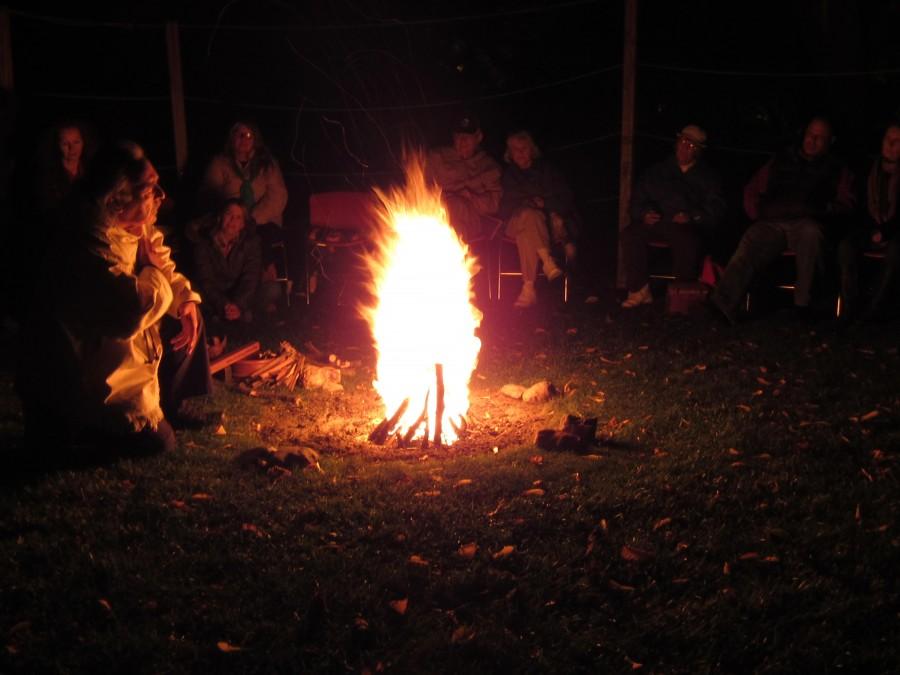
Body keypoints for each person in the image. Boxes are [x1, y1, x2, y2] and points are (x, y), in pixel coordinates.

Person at [15, 142, 210, 457]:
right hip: (82, 379)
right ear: (118, 200)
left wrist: (186, 298)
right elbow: (130, 312)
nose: (161, 195)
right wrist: (151, 271)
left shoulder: (134, 224)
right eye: (149, 191)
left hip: (111, 360)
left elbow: (161, 262)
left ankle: (169, 405)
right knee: (160, 443)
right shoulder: (89, 242)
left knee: (188, 315)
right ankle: (76, 435)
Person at [709, 117, 855, 323]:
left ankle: (804, 307)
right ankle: (723, 303)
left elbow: (846, 203)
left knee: (811, 234)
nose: (812, 140)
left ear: (830, 141)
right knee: (753, 237)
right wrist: (758, 211)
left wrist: (822, 211)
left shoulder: (837, 168)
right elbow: (752, 190)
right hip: (774, 220)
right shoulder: (781, 160)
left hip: (808, 221)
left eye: (819, 137)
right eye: (810, 134)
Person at [621, 124, 726, 308]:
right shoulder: (658, 171)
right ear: (677, 143)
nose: (686, 148)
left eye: (692, 146)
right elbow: (637, 199)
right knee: (631, 234)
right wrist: (644, 213)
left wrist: (692, 216)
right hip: (659, 222)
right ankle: (639, 291)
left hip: (686, 226)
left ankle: (682, 295)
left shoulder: (707, 177)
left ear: (698, 152)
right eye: (684, 142)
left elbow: (715, 208)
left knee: (687, 240)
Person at [499, 130, 578, 308]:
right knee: (527, 215)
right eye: (515, 149)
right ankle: (548, 262)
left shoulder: (548, 171)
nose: (519, 153)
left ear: (532, 149)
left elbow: (565, 197)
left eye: (523, 148)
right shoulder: (508, 176)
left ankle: (528, 289)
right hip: (513, 222)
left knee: (528, 228)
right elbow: (503, 205)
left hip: (540, 226)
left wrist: (544, 203)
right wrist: (527, 202)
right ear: (509, 153)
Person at [199, 121, 288, 273]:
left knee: (257, 238)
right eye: (238, 134)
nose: (243, 139)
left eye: (248, 135)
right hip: (230, 220)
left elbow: (278, 196)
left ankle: (266, 277)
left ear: (255, 139)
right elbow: (210, 194)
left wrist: (251, 219)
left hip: (262, 220)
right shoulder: (220, 163)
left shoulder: (267, 164)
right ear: (231, 138)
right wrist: (232, 216)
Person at [193, 199, 280, 349]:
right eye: (229, 215)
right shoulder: (204, 243)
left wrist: (238, 304)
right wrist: (224, 304)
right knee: (194, 293)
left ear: (243, 224)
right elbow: (205, 280)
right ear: (220, 218)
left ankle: (241, 314)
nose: (233, 220)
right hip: (214, 294)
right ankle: (221, 316)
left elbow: (250, 277)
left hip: (239, 294)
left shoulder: (250, 243)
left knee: (272, 289)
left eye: (238, 217)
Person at [837, 122, 900, 321]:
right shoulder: (868, 171)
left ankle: (873, 310)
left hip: (894, 231)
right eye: (888, 139)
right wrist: (870, 230)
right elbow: (859, 207)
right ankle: (850, 306)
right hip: (870, 228)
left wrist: (886, 231)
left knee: (896, 251)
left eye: (898, 141)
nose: (891, 144)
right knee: (846, 246)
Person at [425, 114, 502, 243]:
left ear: (478, 137)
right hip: (437, 213)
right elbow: (423, 190)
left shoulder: (488, 166)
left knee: (456, 211)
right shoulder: (437, 157)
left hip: (471, 218)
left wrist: (469, 197)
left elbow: (494, 204)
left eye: (467, 137)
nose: (462, 141)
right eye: (458, 136)